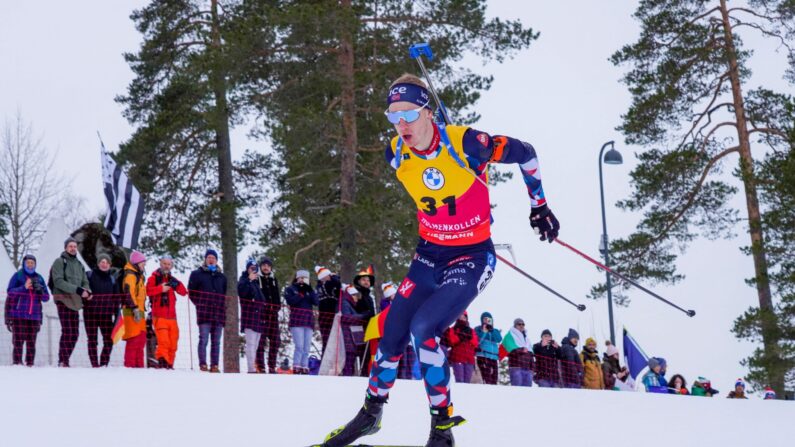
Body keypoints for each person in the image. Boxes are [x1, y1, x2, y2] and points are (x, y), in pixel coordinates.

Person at [322, 73, 560, 447]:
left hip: (472, 256)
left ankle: (442, 428)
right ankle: (370, 414)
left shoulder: (469, 143)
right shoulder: (395, 152)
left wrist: (539, 206)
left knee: (425, 329)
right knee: (392, 335)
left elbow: (527, 153)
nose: (401, 124)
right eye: (393, 116)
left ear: (429, 112)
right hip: (429, 255)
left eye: (409, 114)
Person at [50, 237, 92, 367]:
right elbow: (58, 281)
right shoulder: (59, 261)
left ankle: (65, 359)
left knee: (74, 334)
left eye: (74, 246)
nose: (73, 248)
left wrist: (88, 291)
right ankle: (62, 360)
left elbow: (85, 281)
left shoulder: (79, 265)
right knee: (67, 330)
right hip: (63, 300)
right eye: (70, 246)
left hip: (75, 302)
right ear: (65, 248)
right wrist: (78, 290)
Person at [5, 254, 49, 366]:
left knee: (31, 342)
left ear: (35, 264)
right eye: (28, 263)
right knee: (18, 341)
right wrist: (23, 287)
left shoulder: (39, 278)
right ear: (24, 264)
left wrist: (41, 291)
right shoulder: (18, 275)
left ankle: (30, 364)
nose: (30, 265)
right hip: (18, 314)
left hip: (34, 316)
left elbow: (46, 298)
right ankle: (17, 363)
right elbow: (10, 292)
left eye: (32, 263)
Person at [188, 249, 227, 373]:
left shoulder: (222, 277)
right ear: (205, 259)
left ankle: (214, 365)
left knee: (216, 342)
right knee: (203, 339)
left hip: (219, 313)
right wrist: (200, 304)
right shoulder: (196, 274)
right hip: (204, 313)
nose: (211, 260)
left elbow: (224, 293)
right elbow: (191, 292)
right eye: (209, 257)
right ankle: (203, 364)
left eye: (213, 258)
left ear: (216, 260)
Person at [146, 255, 186, 369]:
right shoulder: (153, 278)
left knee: (173, 343)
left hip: (172, 317)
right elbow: (148, 291)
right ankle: (163, 362)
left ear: (171, 266)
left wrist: (176, 284)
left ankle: (169, 364)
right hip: (159, 316)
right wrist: (160, 289)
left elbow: (183, 292)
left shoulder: (172, 279)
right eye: (164, 263)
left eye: (169, 264)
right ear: (160, 264)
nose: (166, 266)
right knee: (164, 342)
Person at [85, 254, 121, 367]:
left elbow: (117, 297)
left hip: (106, 314)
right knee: (92, 340)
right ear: (98, 263)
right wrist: (85, 299)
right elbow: (83, 290)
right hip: (90, 314)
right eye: (102, 262)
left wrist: (116, 313)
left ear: (110, 265)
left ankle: (104, 364)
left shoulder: (112, 279)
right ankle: (94, 365)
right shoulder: (89, 275)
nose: (104, 264)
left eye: (106, 262)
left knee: (109, 340)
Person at [285, 269, 319, 374]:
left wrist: (311, 291)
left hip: (308, 322)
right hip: (296, 321)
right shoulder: (291, 289)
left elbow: (316, 302)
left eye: (305, 278)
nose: (303, 280)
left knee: (306, 346)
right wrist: (300, 294)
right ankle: (296, 365)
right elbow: (291, 301)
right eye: (301, 277)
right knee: (299, 345)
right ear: (297, 278)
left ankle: (304, 366)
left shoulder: (310, 290)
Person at [238, 260, 267, 373]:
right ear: (247, 269)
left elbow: (262, 299)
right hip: (249, 317)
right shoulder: (243, 280)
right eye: (251, 268)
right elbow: (242, 292)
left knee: (255, 345)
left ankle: (253, 366)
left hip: (259, 318)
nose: (253, 270)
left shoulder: (257, 283)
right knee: (250, 344)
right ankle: (251, 369)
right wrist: (249, 279)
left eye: (255, 268)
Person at [120, 250, 148, 368]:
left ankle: (139, 367)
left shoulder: (139, 276)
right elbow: (128, 293)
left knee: (141, 340)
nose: (144, 266)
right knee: (134, 339)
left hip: (140, 311)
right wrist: (135, 308)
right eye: (142, 263)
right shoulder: (130, 275)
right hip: (131, 311)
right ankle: (130, 367)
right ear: (136, 263)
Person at [256, 256, 281, 373]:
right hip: (261, 315)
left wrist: (277, 306)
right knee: (261, 342)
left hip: (273, 316)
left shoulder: (274, 279)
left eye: (268, 265)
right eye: (264, 265)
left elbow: (276, 295)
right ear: (260, 267)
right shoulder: (257, 278)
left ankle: (272, 366)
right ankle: (260, 366)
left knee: (275, 341)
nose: (266, 267)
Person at [441, 312, 479, 384]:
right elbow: (451, 340)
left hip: (469, 358)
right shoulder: (453, 329)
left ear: (466, 318)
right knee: (460, 380)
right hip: (457, 357)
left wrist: (469, 336)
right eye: (460, 316)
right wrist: (460, 337)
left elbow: (475, 343)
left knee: (467, 381)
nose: (462, 318)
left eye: (464, 317)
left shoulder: (471, 330)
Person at [340, 284, 369, 376]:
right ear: (350, 295)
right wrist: (363, 316)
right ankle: (347, 376)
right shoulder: (345, 303)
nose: (357, 297)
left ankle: (350, 375)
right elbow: (346, 317)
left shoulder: (350, 304)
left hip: (351, 335)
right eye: (355, 295)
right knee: (349, 357)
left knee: (351, 357)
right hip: (348, 335)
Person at [316, 265, 341, 356]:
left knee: (334, 341)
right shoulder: (323, 285)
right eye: (325, 276)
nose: (328, 278)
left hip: (332, 316)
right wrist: (334, 277)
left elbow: (338, 286)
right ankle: (325, 361)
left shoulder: (326, 284)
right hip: (325, 317)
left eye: (328, 276)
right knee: (327, 341)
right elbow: (335, 283)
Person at [474, 312, 502, 385]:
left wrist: (491, 330)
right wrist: (484, 332)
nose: (487, 321)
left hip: (494, 357)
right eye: (485, 319)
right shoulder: (478, 329)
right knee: (486, 378)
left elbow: (498, 339)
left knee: (494, 379)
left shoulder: (495, 330)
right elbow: (477, 342)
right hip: (483, 356)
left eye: (489, 319)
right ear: (482, 320)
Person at [504, 318, 534, 387]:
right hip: (516, 368)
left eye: (523, 324)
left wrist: (532, 369)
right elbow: (509, 351)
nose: (521, 326)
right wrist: (521, 350)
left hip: (528, 370)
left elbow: (531, 354)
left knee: (528, 393)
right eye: (519, 324)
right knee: (517, 393)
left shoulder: (527, 339)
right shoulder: (509, 336)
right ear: (515, 326)